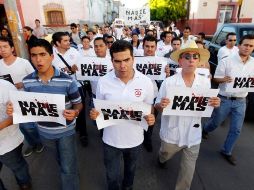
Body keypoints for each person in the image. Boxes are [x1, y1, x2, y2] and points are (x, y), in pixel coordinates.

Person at [7, 39, 83, 190]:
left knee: (67, 167)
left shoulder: (67, 80)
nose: (38, 59)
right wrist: (13, 108)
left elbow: (78, 103)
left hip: (65, 131)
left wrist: (75, 112)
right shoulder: (27, 82)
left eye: (42, 54)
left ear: (51, 56)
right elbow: (27, 106)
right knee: (61, 160)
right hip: (44, 132)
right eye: (34, 55)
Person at [89, 40, 155, 190]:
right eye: (117, 61)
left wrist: (151, 117)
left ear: (133, 59)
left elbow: (149, 108)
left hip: (135, 140)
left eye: (126, 60)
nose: (123, 65)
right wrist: (94, 114)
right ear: (111, 61)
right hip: (110, 140)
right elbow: (98, 110)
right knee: (112, 176)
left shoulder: (145, 82)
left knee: (130, 172)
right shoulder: (103, 82)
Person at [155, 42, 220, 190]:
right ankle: (161, 158)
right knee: (165, 154)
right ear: (180, 61)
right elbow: (157, 105)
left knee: (188, 171)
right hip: (173, 132)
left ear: (198, 61)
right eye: (187, 56)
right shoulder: (168, 82)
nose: (191, 60)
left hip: (193, 134)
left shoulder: (205, 83)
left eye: (195, 57)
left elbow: (206, 105)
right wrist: (161, 105)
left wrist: (214, 102)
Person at [202, 34, 254, 166]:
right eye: (245, 45)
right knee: (216, 122)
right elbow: (216, 79)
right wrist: (223, 79)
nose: (248, 48)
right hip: (224, 98)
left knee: (236, 128)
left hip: (241, 100)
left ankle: (227, 151)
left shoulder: (253, 63)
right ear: (239, 46)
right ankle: (206, 129)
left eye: (251, 46)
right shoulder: (227, 60)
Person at [0, 37, 43, 157]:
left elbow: (35, 78)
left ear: (12, 48)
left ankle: (38, 142)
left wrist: (21, 84)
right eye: (0, 47)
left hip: (24, 100)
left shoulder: (23, 62)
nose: (2, 50)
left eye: (5, 46)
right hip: (8, 104)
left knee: (28, 126)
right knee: (20, 127)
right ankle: (31, 143)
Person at [0, 79, 32, 190]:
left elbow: (22, 113)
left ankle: (25, 184)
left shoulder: (4, 86)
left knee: (18, 168)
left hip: (8, 144)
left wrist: (2, 125)